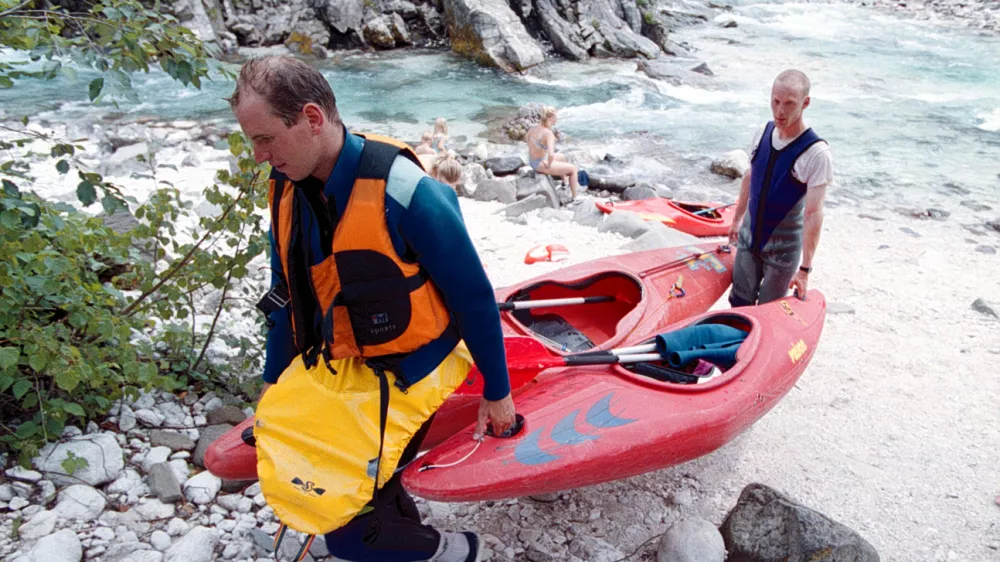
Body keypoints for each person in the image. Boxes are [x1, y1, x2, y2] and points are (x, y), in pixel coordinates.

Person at [228, 55, 515, 562]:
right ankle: (393, 510)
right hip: (341, 365)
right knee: (359, 492)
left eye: (265, 138)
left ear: (312, 119)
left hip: (414, 369)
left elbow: (473, 294)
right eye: (253, 140)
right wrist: (274, 382)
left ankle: (464, 551)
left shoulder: (407, 191)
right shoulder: (285, 188)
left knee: (347, 528)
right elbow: (286, 294)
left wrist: (498, 391)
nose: (258, 155)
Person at [727, 69, 833, 307]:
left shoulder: (816, 153)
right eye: (775, 101)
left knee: (767, 313)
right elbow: (749, 177)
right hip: (748, 240)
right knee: (738, 304)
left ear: (805, 103)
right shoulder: (762, 133)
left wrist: (805, 269)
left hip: (783, 252)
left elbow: (814, 214)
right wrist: (736, 219)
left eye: (789, 103)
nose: (780, 110)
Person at [525, 106, 581, 198]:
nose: (557, 119)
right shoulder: (548, 133)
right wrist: (549, 164)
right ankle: (575, 198)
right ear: (550, 118)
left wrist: (538, 150)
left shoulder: (534, 129)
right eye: (556, 117)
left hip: (533, 161)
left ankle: (564, 182)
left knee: (562, 157)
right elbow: (551, 154)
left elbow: (527, 139)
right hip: (540, 164)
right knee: (573, 169)